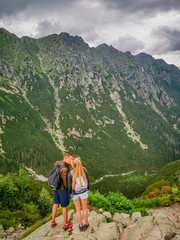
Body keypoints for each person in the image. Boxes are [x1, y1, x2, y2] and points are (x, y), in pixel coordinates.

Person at [51, 152, 73, 230]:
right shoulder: (65, 169)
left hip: (55, 187)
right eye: (70, 159)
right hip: (62, 189)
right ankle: (66, 224)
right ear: (66, 158)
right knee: (64, 206)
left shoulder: (57, 163)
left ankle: (53, 221)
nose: (71, 160)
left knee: (56, 203)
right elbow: (65, 182)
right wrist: (68, 190)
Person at [67, 157, 89, 232]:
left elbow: (69, 186)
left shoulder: (70, 173)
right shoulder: (84, 170)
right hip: (84, 191)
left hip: (75, 193)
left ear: (73, 165)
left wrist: (70, 193)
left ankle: (81, 226)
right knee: (85, 208)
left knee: (78, 210)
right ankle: (86, 224)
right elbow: (87, 180)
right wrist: (87, 189)